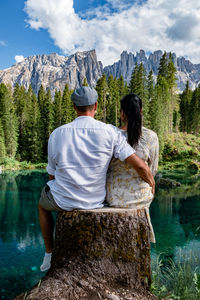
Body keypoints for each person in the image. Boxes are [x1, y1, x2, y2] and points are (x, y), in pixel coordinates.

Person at [38, 87, 155, 272]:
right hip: (95, 200)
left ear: (75, 107)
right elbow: (139, 165)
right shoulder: (110, 132)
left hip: (63, 200)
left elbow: (52, 175)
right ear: (96, 106)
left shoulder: (57, 133)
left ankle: (49, 253)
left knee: (42, 205)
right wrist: (151, 181)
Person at [106, 93, 159, 243]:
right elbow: (152, 170)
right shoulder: (151, 136)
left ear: (122, 113)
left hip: (113, 197)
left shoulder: (112, 135)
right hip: (141, 197)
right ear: (140, 112)